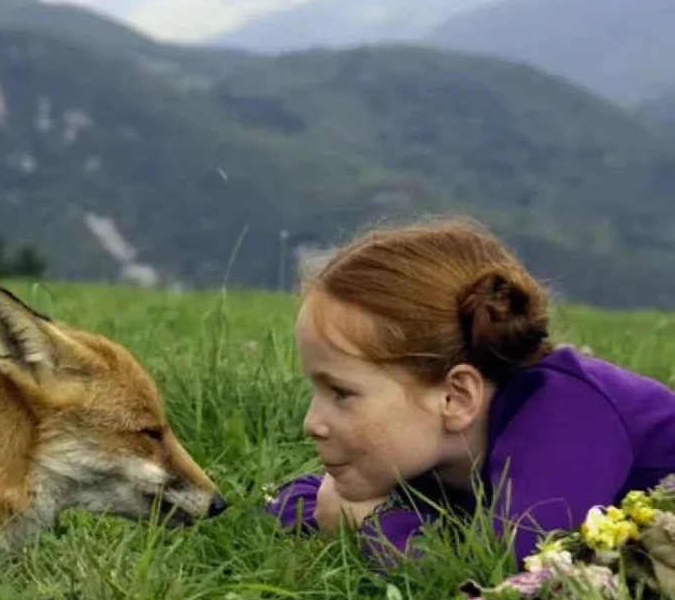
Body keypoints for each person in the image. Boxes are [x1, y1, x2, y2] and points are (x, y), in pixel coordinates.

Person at [265, 216, 675, 566]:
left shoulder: (566, 418)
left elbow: (512, 567)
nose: (312, 423)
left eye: (341, 393)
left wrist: (370, 526)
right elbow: (297, 499)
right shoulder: (432, 449)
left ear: (455, 397)